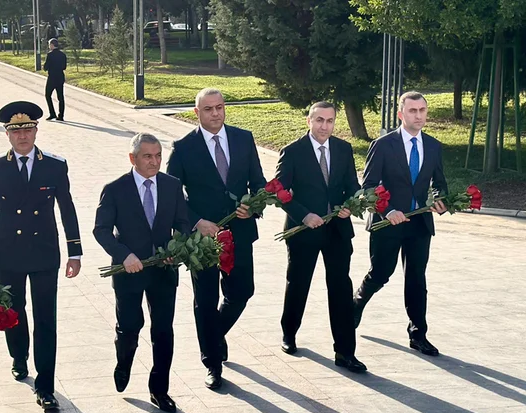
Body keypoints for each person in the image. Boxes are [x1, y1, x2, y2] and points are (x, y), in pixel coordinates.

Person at [0, 101, 83, 411]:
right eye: (15, 130)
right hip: (8, 253)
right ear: (7, 134)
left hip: (45, 252)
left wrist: (74, 251)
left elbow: (68, 209)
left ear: (37, 130)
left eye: (27, 129)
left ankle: (46, 385)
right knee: (15, 312)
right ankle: (19, 355)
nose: (22, 135)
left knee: (46, 319)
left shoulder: (54, 165)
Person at [166, 87, 266, 390]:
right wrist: (196, 221)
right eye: (208, 109)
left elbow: (258, 181)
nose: (215, 114)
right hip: (203, 240)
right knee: (206, 300)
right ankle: (212, 361)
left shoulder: (243, 138)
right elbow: (172, 194)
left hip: (239, 232)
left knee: (242, 292)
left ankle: (214, 335)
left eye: (219, 107)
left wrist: (253, 205)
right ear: (197, 113)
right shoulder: (183, 147)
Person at [93, 133, 191, 413]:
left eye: (158, 155)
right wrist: (124, 255)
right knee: (129, 327)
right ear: (132, 158)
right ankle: (123, 362)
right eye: (148, 156)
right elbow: (101, 230)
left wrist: (178, 246)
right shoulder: (115, 189)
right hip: (129, 271)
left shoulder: (172, 186)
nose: (154, 161)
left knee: (163, 330)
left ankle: (159, 389)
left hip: (163, 269)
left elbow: (183, 223)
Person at [353, 91, 448, 356]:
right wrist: (388, 210)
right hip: (388, 223)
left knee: (417, 278)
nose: (418, 116)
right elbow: (368, 187)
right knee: (381, 273)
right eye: (412, 111)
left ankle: (418, 333)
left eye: (422, 110)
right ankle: (354, 307)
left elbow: (439, 184)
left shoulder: (433, 145)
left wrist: (441, 201)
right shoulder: (383, 145)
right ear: (400, 114)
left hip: (419, 224)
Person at [275, 101, 366, 372]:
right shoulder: (292, 152)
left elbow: (352, 185)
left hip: (337, 230)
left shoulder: (343, 149)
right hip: (304, 230)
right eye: (319, 120)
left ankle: (345, 352)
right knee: (299, 284)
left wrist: (352, 203)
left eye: (329, 121)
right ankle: (289, 332)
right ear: (309, 121)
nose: (324, 126)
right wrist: (304, 216)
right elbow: (281, 192)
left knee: (340, 288)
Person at [43, 38, 66, 121]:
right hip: (60, 77)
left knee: (48, 95)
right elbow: (64, 67)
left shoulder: (50, 55)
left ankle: (52, 113)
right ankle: (61, 115)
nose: (49, 46)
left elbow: (45, 67)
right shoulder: (63, 55)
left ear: (52, 45)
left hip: (52, 78)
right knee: (61, 97)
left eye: (49, 45)